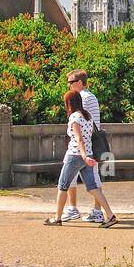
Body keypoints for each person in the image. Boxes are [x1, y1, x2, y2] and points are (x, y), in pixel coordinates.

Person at [45, 89, 117, 228]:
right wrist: (87, 156)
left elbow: (79, 139)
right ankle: (110, 215)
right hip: (89, 154)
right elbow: (88, 136)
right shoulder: (88, 116)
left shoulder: (74, 117)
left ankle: (57, 218)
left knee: (62, 185)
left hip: (75, 155)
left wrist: (83, 156)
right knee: (92, 188)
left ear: (69, 103)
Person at [61, 70, 106, 223]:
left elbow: (80, 121)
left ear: (79, 83)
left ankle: (87, 210)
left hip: (84, 144)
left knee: (87, 179)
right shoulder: (89, 97)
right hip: (87, 143)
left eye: (71, 82)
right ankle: (88, 210)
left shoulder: (84, 98)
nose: (68, 86)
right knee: (87, 179)